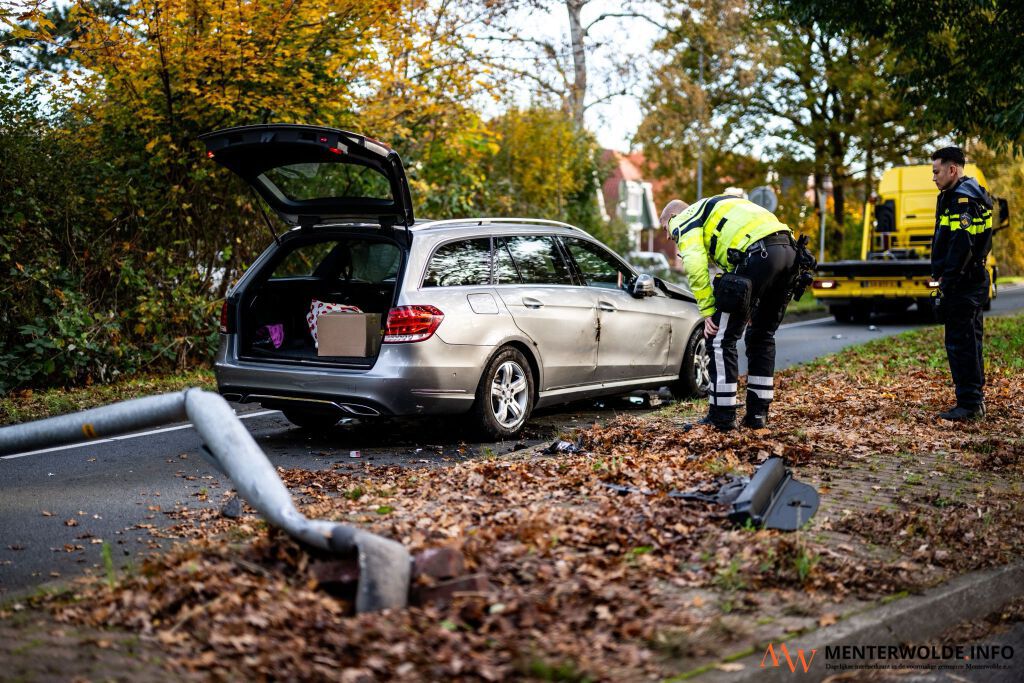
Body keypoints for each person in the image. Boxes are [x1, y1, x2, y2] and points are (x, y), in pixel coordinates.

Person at [660, 195, 797, 431]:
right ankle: (757, 415)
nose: (668, 236)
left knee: (719, 337)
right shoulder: (723, 207)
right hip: (789, 252)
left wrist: (708, 312)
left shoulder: (684, 217)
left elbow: (694, 263)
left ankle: (721, 417)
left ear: (673, 216)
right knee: (761, 335)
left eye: (666, 228)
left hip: (758, 254)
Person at [930, 146, 993, 421]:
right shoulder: (969, 193)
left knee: (961, 343)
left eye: (937, 171)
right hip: (972, 280)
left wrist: (948, 280)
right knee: (971, 341)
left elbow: (962, 245)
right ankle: (974, 401)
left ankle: (969, 405)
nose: (933, 177)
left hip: (963, 283)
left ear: (952, 169)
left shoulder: (962, 200)